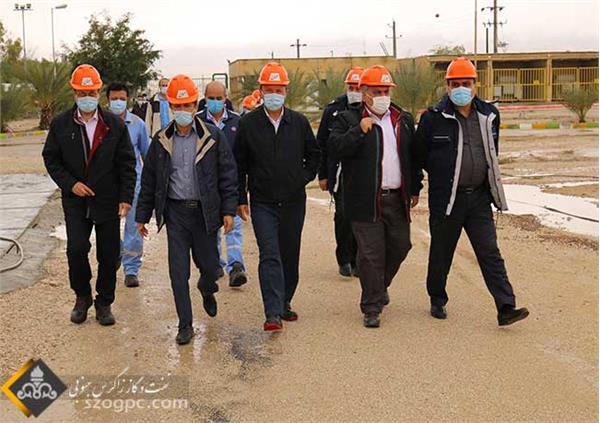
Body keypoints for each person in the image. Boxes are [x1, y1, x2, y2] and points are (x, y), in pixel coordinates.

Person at [414, 57, 529, 326]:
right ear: (447, 86)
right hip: (447, 199)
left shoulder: (489, 115)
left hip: (478, 198)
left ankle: (505, 306)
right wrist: (423, 184)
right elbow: (417, 156)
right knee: (442, 252)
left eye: (466, 83)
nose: (461, 89)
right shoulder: (433, 118)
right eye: (455, 84)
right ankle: (437, 298)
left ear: (475, 85)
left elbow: (491, 152)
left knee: (489, 252)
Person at [135, 74, 238, 345]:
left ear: (195, 105)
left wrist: (228, 210)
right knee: (178, 272)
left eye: (187, 105)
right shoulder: (161, 140)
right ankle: (185, 324)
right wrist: (142, 216)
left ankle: (207, 287)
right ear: (171, 106)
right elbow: (150, 181)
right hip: (176, 213)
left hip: (204, 213)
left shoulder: (212, 137)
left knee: (211, 267)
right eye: (177, 106)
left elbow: (227, 175)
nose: (182, 110)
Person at [42, 64, 136, 326]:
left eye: (92, 92)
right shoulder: (61, 124)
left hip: (107, 199)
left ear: (98, 92)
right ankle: (82, 297)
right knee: (76, 249)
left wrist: (125, 197)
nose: (87, 97)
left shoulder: (114, 125)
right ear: (74, 93)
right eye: (82, 92)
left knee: (109, 253)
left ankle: (104, 302)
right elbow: (51, 158)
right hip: (76, 201)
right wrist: (70, 184)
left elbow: (127, 164)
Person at [329, 65, 420, 328]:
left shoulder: (402, 119)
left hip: (396, 198)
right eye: (376, 92)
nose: (382, 96)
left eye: (385, 91)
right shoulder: (347, 119)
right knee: (370, 254)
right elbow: (335, 147)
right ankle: (371, 307)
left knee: (401, 245)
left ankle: (378, 287)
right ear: (364, 93)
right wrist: (358, 130)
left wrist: (415, 188)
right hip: (364, 199)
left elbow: (412, 157)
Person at [234, 62, 320, 331]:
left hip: (293, 201)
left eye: (279, 89)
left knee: (289, 254)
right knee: (269, 254)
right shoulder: (248, 124)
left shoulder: (299, 122)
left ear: (286, 91)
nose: (274, 94)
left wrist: (301, 177)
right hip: (263, 202)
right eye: (269, 89)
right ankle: (272, 312)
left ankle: (284, 302)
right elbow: (239, 164)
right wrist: (240, 198)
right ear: (261, 91)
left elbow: (314, 155)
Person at [197, 81, 248, 287]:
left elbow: (243, 156)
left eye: (219, 98)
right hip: (206, 185)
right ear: (205, 98)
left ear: (226, 98)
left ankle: (236, 266)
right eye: (211, 98)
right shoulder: (197, 121)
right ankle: (216, 263)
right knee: (211, 227)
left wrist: (242, 194)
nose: (216, 102)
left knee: (233, 226)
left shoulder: (237, 122)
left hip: (230, 183)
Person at [316, 66, 363, 278]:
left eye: (358, 88)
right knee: (343, 215)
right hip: (339, 173)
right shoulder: (333, 110)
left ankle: (358, 259)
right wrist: (323, 175)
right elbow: (322, 144)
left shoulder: (370, 109)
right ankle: (344, 257)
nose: (355, 91)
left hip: (363, 173)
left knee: (362, 218)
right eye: (351, 87)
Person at [106, 82, 150, 287]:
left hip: (134, 185)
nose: (118, 102)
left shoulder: (138, 125)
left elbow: (146, 154)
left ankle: (131, 270)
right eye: (114, 99)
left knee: (134, 227)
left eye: (122, 99)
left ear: (128, 100)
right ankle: (117, 252)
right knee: (108, 226)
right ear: (107, 101)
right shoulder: (101, 124)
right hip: (108, 186)